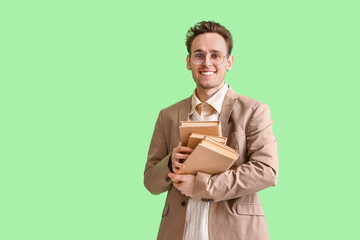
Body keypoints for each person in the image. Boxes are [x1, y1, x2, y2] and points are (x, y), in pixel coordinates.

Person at [144, 21, 278, 240]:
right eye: (199, 55)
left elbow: (267, 171)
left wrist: (201, 186)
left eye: (216, 55)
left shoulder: (254, 111)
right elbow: (150, 181)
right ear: (188, 62)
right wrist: (170, 163)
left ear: (229, 62)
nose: (207, 62)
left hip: (236, 232)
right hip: (179, 233)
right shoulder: (167, 115)